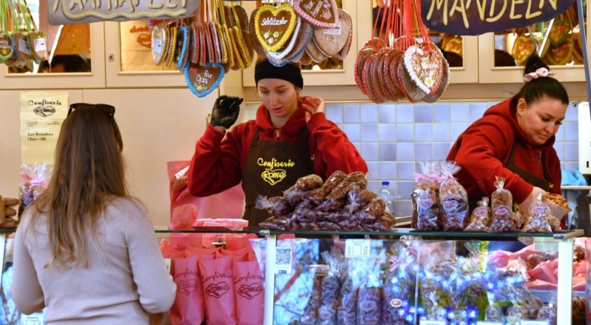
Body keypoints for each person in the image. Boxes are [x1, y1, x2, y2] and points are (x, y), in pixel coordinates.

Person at [11, 104, 176, 324]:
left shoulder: (33, 216)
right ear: (113, 154)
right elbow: (159, 299)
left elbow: (25, 301)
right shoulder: (128, 213)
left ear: (61, 151)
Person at [188, 59, 368, 225]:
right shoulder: (244, 135)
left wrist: (320, 126)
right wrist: (215, 130)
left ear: (297, 87)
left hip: (308, 247)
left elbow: (355, 181)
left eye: (281, 91)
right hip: (258, 245)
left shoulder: (321, 131)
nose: (273, 101)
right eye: (264, 92)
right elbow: (200, 185)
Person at [447, 56, 568, 217]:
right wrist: (524, 192)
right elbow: (469, 158)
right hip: (470, 237)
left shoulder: (549, 157)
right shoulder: (496, 127)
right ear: (522, 107)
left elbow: (556, 211)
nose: (551, 129)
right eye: (545, 119)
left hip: (523, 242)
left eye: (558, 122)